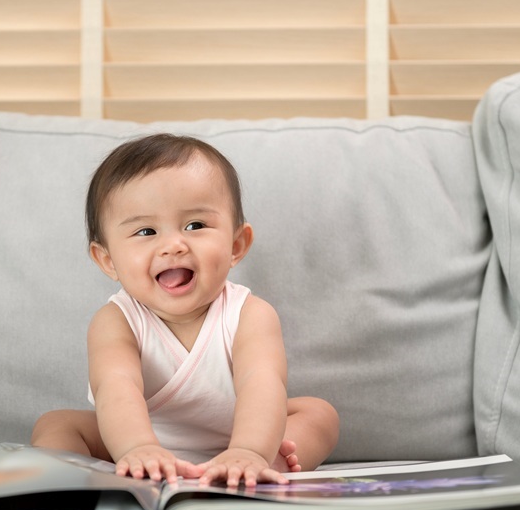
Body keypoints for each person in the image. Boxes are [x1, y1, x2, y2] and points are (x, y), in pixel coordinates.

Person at [31, 134, 340, 487]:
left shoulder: (249, 314)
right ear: (108, 259)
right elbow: (117, 387)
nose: (173, 245)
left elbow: (262, 383)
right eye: (146, 231)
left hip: (242, 434)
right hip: (138, 438)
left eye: (195, 226)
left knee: (319, 413)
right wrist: (138, 446)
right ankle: (72, 481)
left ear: (236, 245)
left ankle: (261, 465)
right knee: (55, 424)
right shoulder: (116, 321)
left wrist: (250, 448)